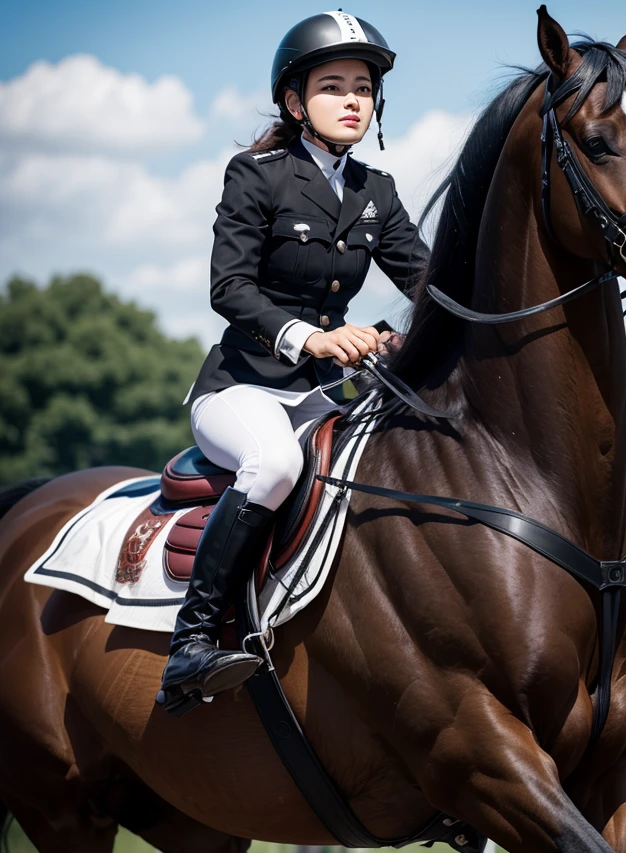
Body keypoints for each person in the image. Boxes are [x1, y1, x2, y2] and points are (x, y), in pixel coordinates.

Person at [156, 10, 430, 716]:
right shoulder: (256, 175)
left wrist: (408, 336)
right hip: (243, 388)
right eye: (334, 86)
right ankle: (191, 643)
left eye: (363, 88)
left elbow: (431, 285)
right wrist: (310, 338)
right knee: (275, 465)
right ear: (293, 102)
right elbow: (229, 289)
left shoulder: (379, 191)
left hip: (322, 397)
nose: (352, 101)